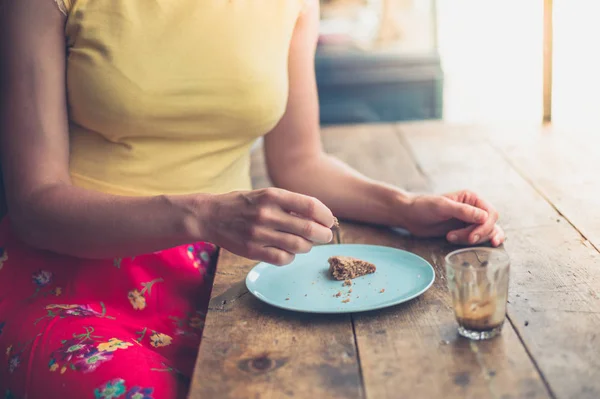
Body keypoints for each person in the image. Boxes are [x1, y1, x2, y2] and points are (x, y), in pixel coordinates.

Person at [0, 0, 505, 397]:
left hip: (227, 276)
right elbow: (34, 204)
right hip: (69, 275)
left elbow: (300, 162)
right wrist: (201, 212)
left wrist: (405, 208)